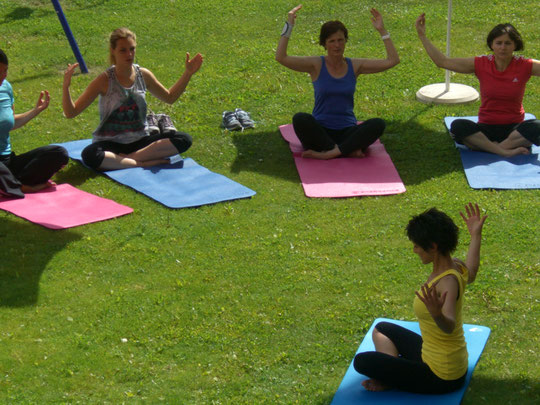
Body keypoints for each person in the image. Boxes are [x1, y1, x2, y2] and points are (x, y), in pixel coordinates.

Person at [353, 203, 487, 394]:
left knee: (362, 361)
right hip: (431, 354)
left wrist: (436, 314)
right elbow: (471, 273)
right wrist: (475, 235)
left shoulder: (447, 281)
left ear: (433, 246)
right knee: (382, 328)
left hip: (442, 376)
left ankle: (391, 378)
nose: (415, 250)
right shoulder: (455, 265)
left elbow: (449, 326)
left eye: (417, 246)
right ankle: (395, 374)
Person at [62, 28, 203, 171]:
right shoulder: (105, 80)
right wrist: (66, 87)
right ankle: (139, 162)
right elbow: (71, 113)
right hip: (111, 143)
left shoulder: (143, 75)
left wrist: (188, 73)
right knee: (90, 155)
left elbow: (170, 97)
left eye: (132, 49)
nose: (129, 54)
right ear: (113, 51)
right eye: (123, 50)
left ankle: (126, 160)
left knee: (184, 139)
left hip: (140, 140)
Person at [275, 5, 399, 160]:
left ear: (346, 41)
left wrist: (382, 31)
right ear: (324, 44)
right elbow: (281, 57)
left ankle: (330, 153)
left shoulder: (354, 66)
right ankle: (345, 150)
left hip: (348, 132)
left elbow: (393, 60)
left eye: (340, 40)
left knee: (378, 124)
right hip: (321, 132)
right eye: (332, 41)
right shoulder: (316, 65)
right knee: (300, 119)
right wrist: (289, 25)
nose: (337, 45)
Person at [416, 14, 540, 157]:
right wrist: (422, 36)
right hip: (486, 129)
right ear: (491, 45)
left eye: (508, 43)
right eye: (498, 43)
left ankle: (490, 148)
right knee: (458, 126)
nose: (503, 47)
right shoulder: (481, 63)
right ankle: (504, 151)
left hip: (515, 129)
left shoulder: (525, 65)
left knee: (537, 126)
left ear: (515, 45)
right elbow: (443, 62)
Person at [0, 49, 68, 199]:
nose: (3, 76)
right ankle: (19, 186)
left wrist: (35, 111)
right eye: (0, 72)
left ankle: (11, 183)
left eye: (6, 71)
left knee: (59, 154)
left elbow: (9, 123)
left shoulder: (6, 88)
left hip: (7, 162)